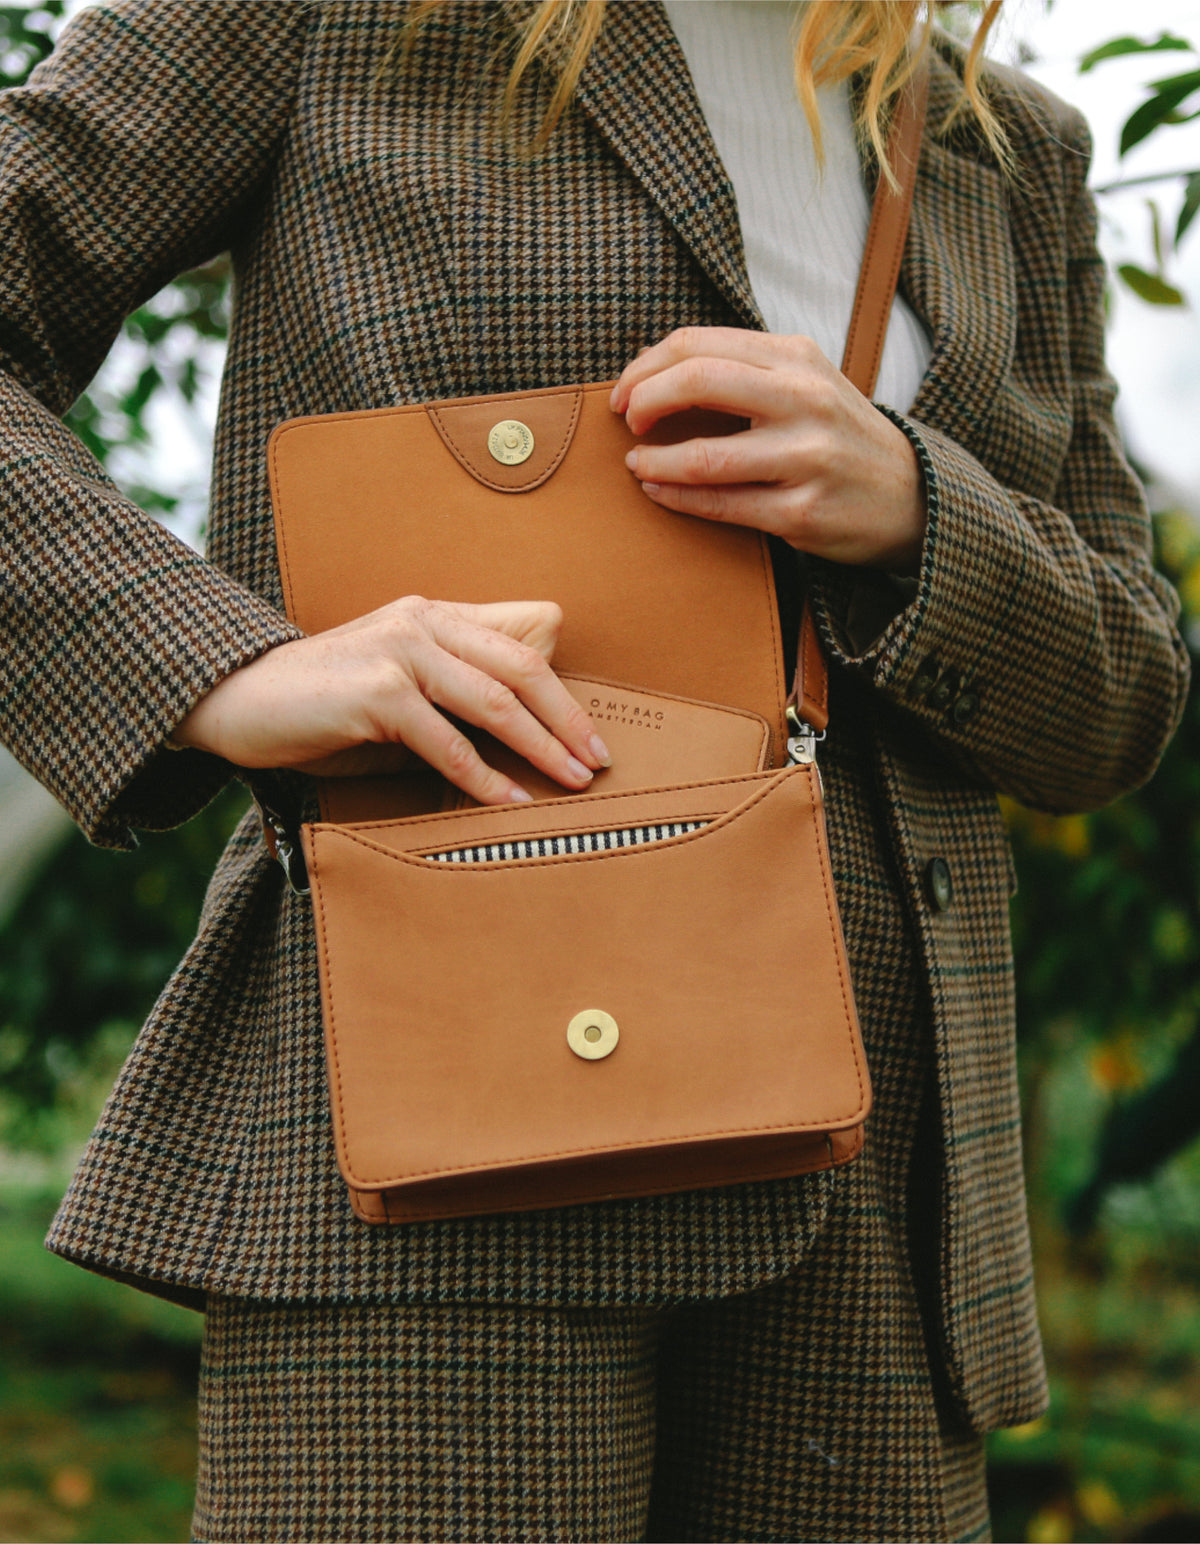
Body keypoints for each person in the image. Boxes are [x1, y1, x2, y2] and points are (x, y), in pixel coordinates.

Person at [0, 1, 1188, 1540]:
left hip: (879, 1204)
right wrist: (219, 667)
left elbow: (1121, 691)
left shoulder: (1003, 146)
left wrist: (915, 506)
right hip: (441, 1160)